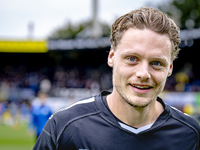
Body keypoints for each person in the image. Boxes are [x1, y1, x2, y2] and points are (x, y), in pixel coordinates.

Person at [33, 7, 200, 150]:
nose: (143, 74)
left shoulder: (190, 134)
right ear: (112, 56)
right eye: (132, 59)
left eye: (156, 63)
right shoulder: (63, 127)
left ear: (170, 67)